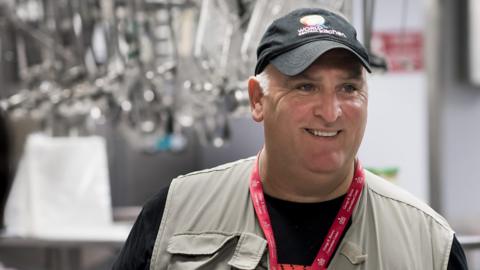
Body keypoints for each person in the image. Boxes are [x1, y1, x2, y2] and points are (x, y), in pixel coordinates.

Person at [113, 8, 468, 270]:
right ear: (257, 100)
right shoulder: (173, 215)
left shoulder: (428, 244)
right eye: (305, 86)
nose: (330, 112)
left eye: (348, 88)